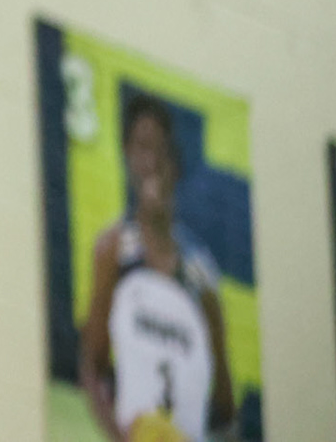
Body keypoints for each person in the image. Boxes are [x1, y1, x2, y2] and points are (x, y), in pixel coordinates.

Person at [80, 95, 234, 442]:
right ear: (128, 158)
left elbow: (225, 406)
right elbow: (92, 366)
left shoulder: (202, 276)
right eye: (141, 148)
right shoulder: (114, 250)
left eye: (161, 151)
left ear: (175, 165)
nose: (151, 162)